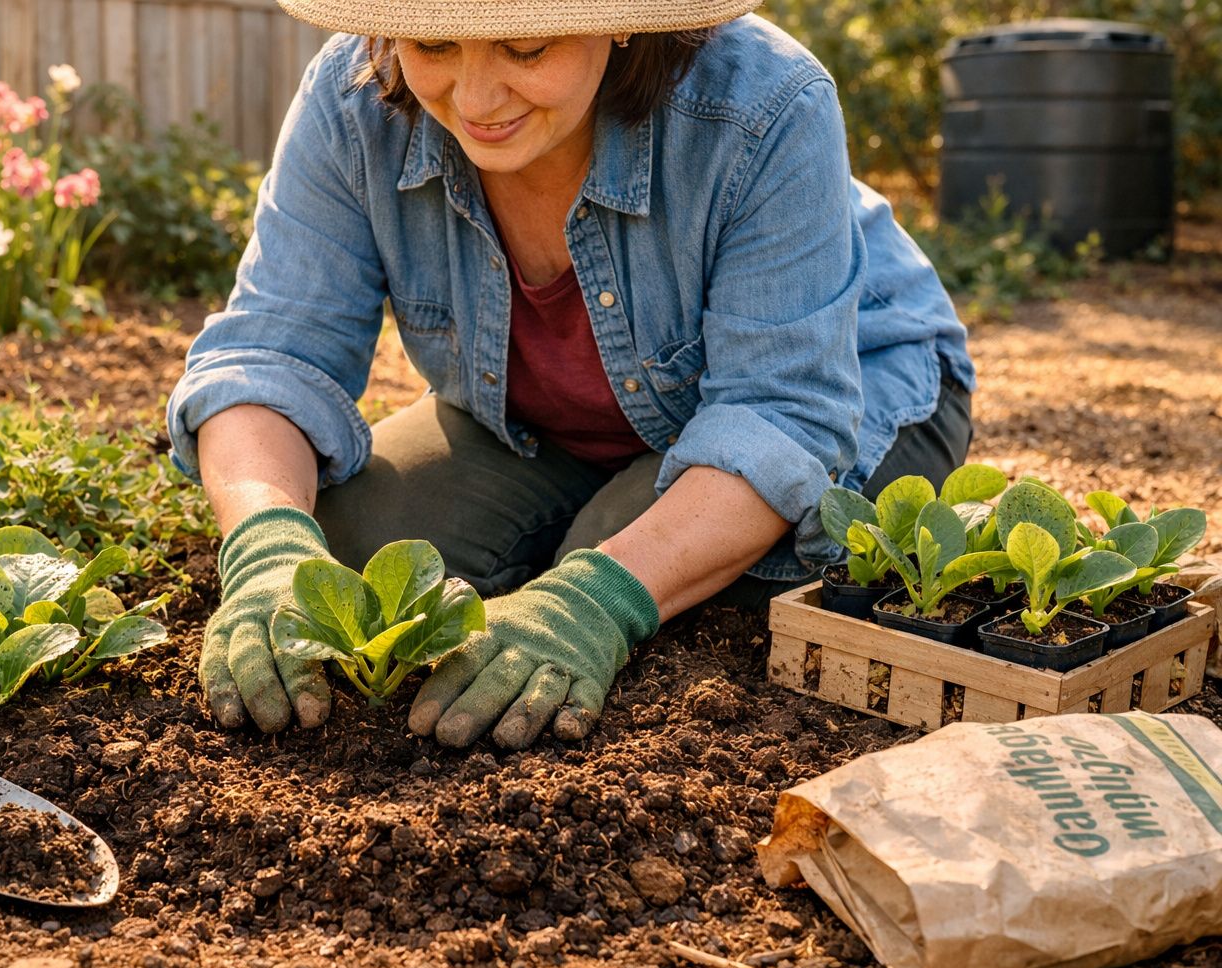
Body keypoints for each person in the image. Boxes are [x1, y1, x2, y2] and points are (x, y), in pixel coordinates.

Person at [166, 0, 976, 749]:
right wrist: (266, 545)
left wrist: (595, 599)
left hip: (855, 379)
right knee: (360, 552)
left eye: (526, 45)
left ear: (620, 22)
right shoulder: (353, 104)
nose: (477, 98)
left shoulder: (766, 103)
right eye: (434, 42)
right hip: (539, 415)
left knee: (643, 592)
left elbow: (783, 415)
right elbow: (272, 352)